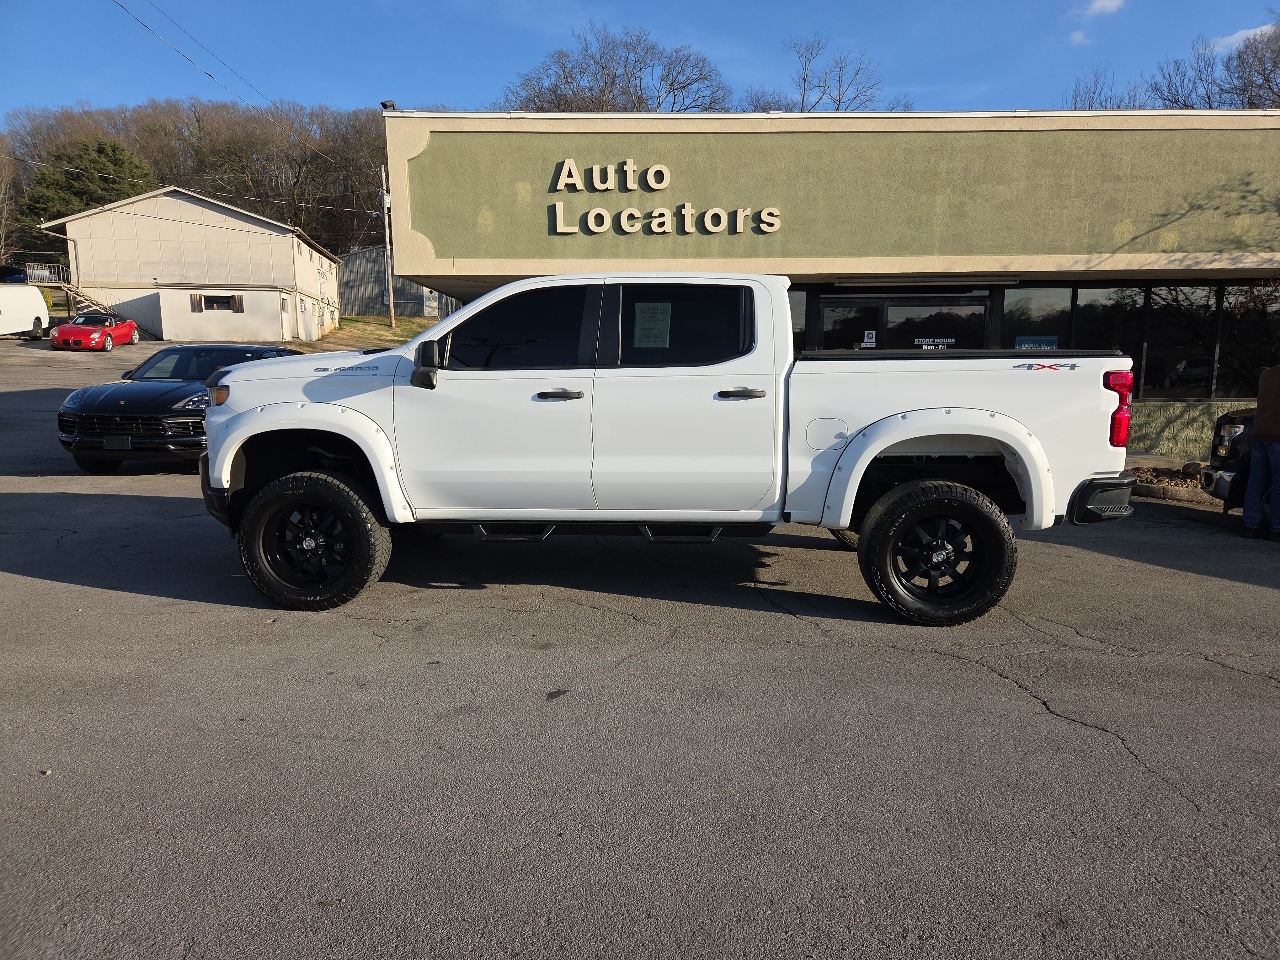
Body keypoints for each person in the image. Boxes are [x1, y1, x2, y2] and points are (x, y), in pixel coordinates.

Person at [1242, 355, 1280, 540]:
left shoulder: (1266, 376)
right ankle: (1277, 528)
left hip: (1259, 433)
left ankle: (1251, 525)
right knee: (1278, 485)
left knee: (1255, 483)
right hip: (1277, 437)